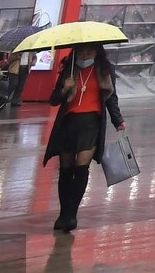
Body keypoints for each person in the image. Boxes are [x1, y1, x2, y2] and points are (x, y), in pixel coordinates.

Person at [41, 43, 125, 233]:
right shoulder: (69, 70)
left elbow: (112, 97)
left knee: (81, 167)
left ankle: (72, 214)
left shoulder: (104, 70)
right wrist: (64, 89)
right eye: (82, 51)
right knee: (66, 168)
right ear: (75, 52)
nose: (85, 55)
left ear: (97, 52)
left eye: (90, 51)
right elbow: (54, 100)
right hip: (69, 123)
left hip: (92, 124)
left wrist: (117, 120)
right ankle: (63, 214)